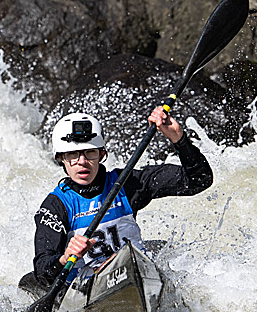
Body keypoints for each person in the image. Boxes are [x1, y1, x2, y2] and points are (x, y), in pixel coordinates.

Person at [19, 108, 213, 298]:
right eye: (72, 154)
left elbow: (199, 181)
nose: (82, 162)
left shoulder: (127, 184)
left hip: (135, 271)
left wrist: (178, 139)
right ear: (61, 158)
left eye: (90, 153)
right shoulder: (55, 206)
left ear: (102, 155)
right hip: (84, 290)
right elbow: (43, 270)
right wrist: (65, 257)